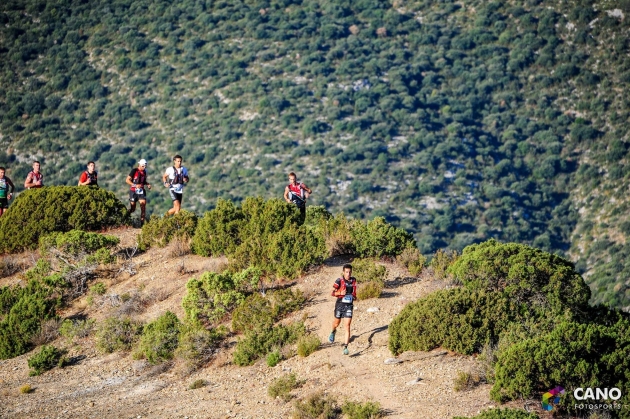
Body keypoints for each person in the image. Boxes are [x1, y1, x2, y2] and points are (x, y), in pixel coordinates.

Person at [328, 264, 357, 355]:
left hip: (349, 305)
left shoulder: (353, 280)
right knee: (336, 323)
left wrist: (354, 297)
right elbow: (331, 292)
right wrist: (340, 292)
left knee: (347, 325)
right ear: (343, 272)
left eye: (350, 272)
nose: (348, 274)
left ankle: (345, 347)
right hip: (340, 304)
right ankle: (333, 331)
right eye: (346, 272)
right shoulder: (339, 281)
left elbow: (354, 291)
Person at [126, 159, 152, 224]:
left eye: (145, 166)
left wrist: (147, 184)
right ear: (139, 165)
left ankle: (142, 224)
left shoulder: (145, 172)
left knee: (143, 206)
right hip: (133, 191)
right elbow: (127, 180)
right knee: (133, 208)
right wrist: (135, 185)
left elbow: (143, 181)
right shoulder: (134, 171)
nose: (144, 167)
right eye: (143, 166)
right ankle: (125, 216)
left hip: (141, 191)